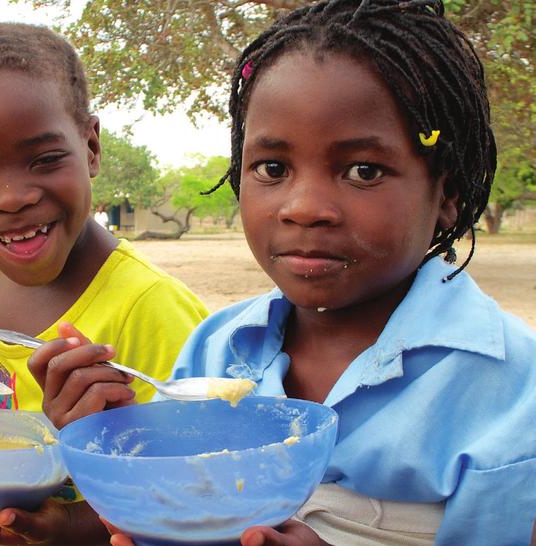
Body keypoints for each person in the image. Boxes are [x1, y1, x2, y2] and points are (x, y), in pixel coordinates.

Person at [51, 1, 536, 545]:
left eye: (363, 170)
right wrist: (114, 443)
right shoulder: (217, 348)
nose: (303, 207)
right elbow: (174, 516)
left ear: (445, 193)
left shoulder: (514, 387)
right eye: (273, 169)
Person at [0, 23, 209, 545]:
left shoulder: (152, 309)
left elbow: (194, 489)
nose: (10, 199)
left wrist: (69, 525)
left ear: (90, 147)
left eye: (44, 160)